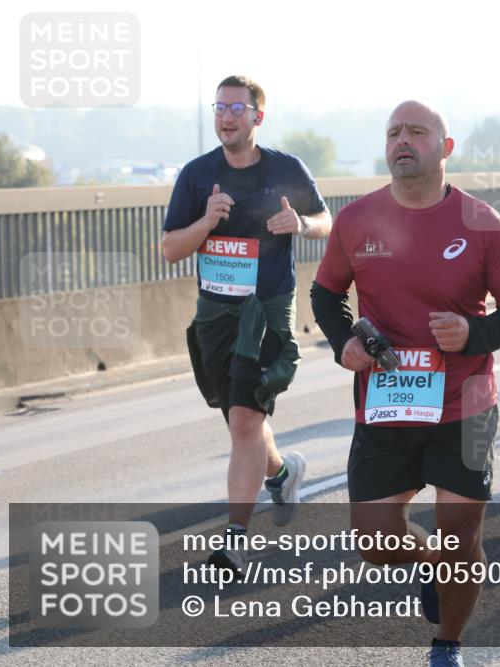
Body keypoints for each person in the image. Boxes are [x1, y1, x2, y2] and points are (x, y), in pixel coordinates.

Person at [312, 100, 500, 666]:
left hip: (464, 405)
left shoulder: (481, 223)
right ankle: (436, 568)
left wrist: (474, 333)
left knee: (460, 534)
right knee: (374, 539)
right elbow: (325, 293)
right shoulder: (356, 220)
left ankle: (447, 644)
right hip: (386, 406)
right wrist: (344, 341)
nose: (402, 141)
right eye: (393, 133)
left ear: (446, 146)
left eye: (417, 131)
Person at [162, 75, 330, 571]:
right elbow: (171, 248)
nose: (227, 116)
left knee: (244, 420)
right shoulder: (196, 176)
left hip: (267, 308)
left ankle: (235, 536)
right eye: (220, 107)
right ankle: (280, 473)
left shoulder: (286, 169)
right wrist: (207, 221)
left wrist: (301, 224)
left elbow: (326, 222)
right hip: (215, 312)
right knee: (242, 422)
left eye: (237, 108)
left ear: (258, 117)